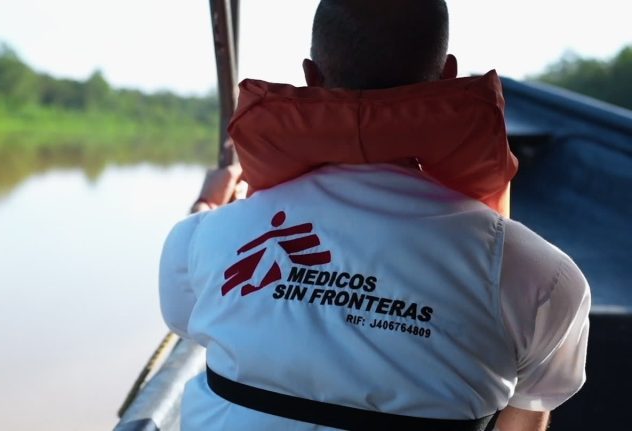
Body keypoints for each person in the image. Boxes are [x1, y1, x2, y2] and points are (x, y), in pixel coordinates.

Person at [158, 1, 591, 430]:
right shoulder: (543, 277)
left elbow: (188, 314)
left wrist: (207, 205)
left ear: (311, 77)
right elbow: (528, 412)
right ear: (449, 74)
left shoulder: (200, 239)